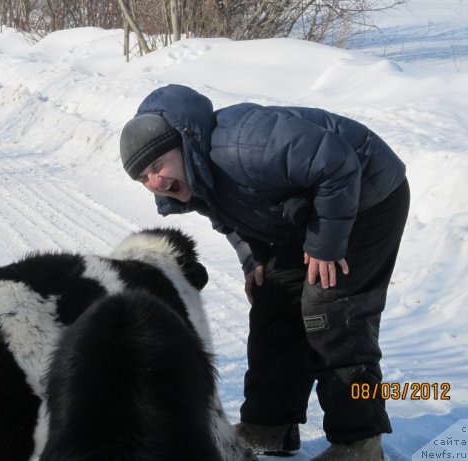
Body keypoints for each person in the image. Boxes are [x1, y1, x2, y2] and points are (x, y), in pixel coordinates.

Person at [119, 84, 409, 461]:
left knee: (331, 311)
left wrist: (325, 247)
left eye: (157, 165)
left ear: (183, 143)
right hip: (310, 209)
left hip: (368, 192)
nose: (155, 182)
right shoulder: (195, 177)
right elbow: (232, 219)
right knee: (274, 302)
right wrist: (253, 261)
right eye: (143, 177)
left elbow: (337, 163)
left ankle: (360, 440)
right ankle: (268, 425)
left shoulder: (242, 145)